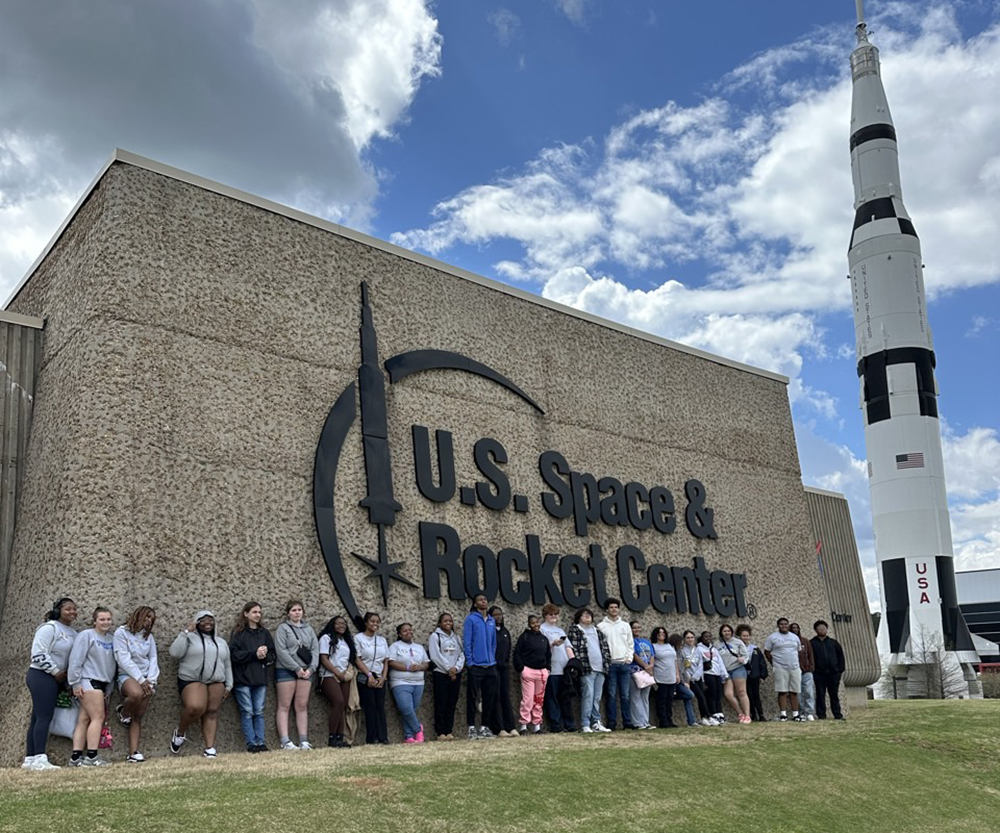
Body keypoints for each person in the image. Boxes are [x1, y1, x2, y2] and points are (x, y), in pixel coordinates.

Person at [23, 597, 78, 770]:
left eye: (74, 609)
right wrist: (55, 671)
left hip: (57, 679)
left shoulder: (73, 633)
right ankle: (40, 757)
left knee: (38, 717)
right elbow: (38, 653)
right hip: (41, 676)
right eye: (68, 609)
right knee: (44, 717)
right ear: (58, 610)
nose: (72, 612)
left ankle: (30, 758)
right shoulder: (49, 628)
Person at [169, 610, 233, 757]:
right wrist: (185, 632)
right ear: (197, 622)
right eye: (203, 620)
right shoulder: (189, 637)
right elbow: (175, 653)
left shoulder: (221, 642)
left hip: (216, 680)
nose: (207, 623)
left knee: (212, 711)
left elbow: (227, 664)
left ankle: (209, 748)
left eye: (210, 620)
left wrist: (229, 684)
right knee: (195, 707)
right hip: (192, 678)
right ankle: (180, 732)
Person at [67, 606, 116, 767]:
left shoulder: (111, 639)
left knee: (84, 719)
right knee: (98, 718)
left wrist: (109, 687)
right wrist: (75, 683)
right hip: (88, 681)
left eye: (108, 619)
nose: (105, 622)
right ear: (94, 621)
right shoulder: (86, 636)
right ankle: (92, 757)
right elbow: (76, 660)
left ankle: (76, 757)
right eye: (102, 619)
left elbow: (112, 666)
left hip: (102, 683)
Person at [114, 605, 160, 762]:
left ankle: (133, 753)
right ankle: (123, 712)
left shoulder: (149, 637)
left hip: (146, 678)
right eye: (147, 617)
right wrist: (140, 680)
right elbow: (123, 659)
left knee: (138, 716)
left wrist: (151, 681)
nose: (149, 621)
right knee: (136, 694)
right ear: (138, 615)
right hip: (127, 675)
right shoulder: (121, 633)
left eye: (152, 619)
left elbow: (153, 658)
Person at [229, 601, 275, 753]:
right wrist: (254, 654)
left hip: (260, 678)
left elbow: (272, 655)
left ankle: (261, 742)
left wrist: (265, 655)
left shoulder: (264, 633)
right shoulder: (238, 633)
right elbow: (234, 655)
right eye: (254, 612)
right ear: (246, 613)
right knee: (247, 711)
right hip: (242, 678)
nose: (258, 615)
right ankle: (251, 743)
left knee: (259, 711)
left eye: (259, 612)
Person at [274, 599, 319, 750]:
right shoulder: (283, 629)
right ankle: (285, 741)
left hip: (306, 671)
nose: (297, 613)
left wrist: (311, 668)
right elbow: (281, 651)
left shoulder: (309, 629)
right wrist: (296, 668)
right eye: (294, 610)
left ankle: (304, 740)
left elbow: (315, 650)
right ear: (288, 613)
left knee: (301, 705)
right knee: (284, 705)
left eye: (299, 610)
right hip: (286, 669)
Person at [567, 607, 612, 733]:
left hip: (601, 669)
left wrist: (607, 662)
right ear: (578, 618)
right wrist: (579, 665)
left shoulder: (597, 631)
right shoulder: (575, 630)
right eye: (583, 614)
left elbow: (605, 648)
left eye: (589, 614)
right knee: (588, 696)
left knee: (597, 697)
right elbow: (574, 648)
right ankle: (585, 724)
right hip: (586, 669)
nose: (587, 616)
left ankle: (596, 722)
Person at [463, 593, 498, 740]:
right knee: (472, 697)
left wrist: (492, 658)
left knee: (488, 698)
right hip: (476, 666)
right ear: (475, 604)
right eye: (480, 600)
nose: (484, 601)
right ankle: (471, 728)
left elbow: (493, 643)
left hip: (490, 666)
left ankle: (484, 727)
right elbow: (467, 642)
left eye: (485, 599)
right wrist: (470, 662)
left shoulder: (491, 620)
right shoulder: (471, 619)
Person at [387, 623, 430, 743]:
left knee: (411, 710)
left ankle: (409, 736)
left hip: (418, 683)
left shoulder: (419, 647)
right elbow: (391, 662)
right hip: (400, 682)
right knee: (405, 708)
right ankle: (418, 729)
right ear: (399, 634)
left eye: (410, 630)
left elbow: (426, 663)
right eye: (405, 631)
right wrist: (407, 668)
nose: (408, 632)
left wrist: (420, 667)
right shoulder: (395, 646)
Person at [319, 614, 357, 747]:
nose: (341, 626)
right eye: (338, 623)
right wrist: (337, 672)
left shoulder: (346, 641)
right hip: (329, 675)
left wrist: (345, 673)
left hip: (344, 676)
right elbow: (324, 659)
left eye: (344, 624)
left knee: (343, 705)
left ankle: (340, 737)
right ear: (332, 625)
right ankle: (332, 737)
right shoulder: (326, 638)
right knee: (338, 701)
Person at [597, 598, 634, 730]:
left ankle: (627, 722)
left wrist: (629, 658)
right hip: (610, 665)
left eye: (616, 607)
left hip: (624, 664)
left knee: (625, 695)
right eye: (611, 607)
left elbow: (630, 644)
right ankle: (612, 722)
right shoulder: (601, 626)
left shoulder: (625, 625)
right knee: (611, 694)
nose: (614, 609)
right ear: (607, 610)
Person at [539, 603, 576, 733]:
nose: (553, 616)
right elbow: (541, 648)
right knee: (552, 698)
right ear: (545, 615)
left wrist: (572, 662)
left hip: (564, 669)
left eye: (555, 614)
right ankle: (557, 725)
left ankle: (569, 725)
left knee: (566, 699)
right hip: (552, 669)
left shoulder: (560, 630)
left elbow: (568, 647)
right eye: (551, 614)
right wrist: (553, 644)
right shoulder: (542, 629)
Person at [354, 611, 389, 745]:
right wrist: (369, 675)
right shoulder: (358, 638)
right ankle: (372, 738)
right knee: (370, 706)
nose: (375, 624)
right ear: (366, 623)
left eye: (377, 622)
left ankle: (383, 737)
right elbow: (357, 659)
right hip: (366, 675)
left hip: (379, 675)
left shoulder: (382, 640)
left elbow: (386, 660)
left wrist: (383, 678)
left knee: (380, 706)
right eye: (372, 621)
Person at [428, 612, 464, 740]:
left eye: (450, 621)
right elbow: (435, 655)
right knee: (441, 703)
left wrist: (456, 668)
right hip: (441, 673)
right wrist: (448, 668)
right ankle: (440, 732)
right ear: (440, 623)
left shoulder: (456, 638)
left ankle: (449, 731)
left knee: (451, 703)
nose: (448, 623)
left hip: (455, 674)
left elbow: (461, 654)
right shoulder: (435, 636)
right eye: (445, 621)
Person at [513, 614, 550, 734]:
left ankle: (536, 726)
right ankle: (524, 726)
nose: (536, 625)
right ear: (529, 624)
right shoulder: (524, 637)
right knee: (527, 700)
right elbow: (517, 653)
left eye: (537, 622)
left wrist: (547, 669)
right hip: (528, 671)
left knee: (539, 700)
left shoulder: (544, 638)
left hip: (542, 672)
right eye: (533, 623)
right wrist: (521, 668)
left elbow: (548, 655)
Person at [764, 617, 803, 722]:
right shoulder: (772, 637)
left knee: (794, 691)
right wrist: (773, 663)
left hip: (794, 667)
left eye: (785, 624)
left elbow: (798, 651)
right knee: (782, 691)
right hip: (780, 667)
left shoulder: (794, 637)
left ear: (788, 625)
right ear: (778, 626)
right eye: (781, 624)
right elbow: (767, 651)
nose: (784, 626)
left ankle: (795, 714)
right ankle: (783, 714)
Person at [488, 606, 517, 737]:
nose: (498, 617)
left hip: (504, 668)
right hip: (492, 667)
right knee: (496, 697)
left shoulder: (505, 631)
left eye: (499, 614)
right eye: (495, 615)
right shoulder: (488, 631)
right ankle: (499, 728)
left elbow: (508, 649)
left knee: (505, 695)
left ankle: (510, 726)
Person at [810, 620, 846, 720]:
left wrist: (839, 670)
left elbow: (840, 656)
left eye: (824, 628)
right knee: (820, 694)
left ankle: (837, 714)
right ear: (815, 630)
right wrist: (814, 671)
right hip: (819, 674)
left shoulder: (833, 643)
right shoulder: (812, 643)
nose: (822, 630)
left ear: (827, 629)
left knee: (834, 695)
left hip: (833, 673)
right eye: (819, 628)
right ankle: (821, 715)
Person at [717, 624, 751, 724]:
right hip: (725, 671)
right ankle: (740, 713)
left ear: (731, 632)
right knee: (728, 694)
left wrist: (743, 659)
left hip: (737, 668)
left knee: (741, 692)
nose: (727, 633)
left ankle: (747, 715)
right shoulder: (717, 644)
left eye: (728, 631)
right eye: (724, 631)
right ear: (721, 633)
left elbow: (746, 655)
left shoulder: (738, 642)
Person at [679, 630, 715, 725]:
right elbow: (682, 666)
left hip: (697, 677)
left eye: (692, 637)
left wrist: (696, 675)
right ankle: (707, 716)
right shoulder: (682, 651)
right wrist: (689, 677)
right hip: (688, 678)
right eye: (688, 638)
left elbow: (700, 665)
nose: (690, 639)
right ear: (684, 639)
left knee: (702, 697)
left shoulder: (697, 650)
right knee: (700, 697)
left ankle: (704, 717)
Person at [737, 624, 768, 722]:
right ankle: (752, 714)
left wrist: (762, 675)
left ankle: (761, 714)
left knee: (756, 695)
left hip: (754, 675)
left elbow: (761, 662)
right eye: (743, 636)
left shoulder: (755, 649)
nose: (746, 638)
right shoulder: (737, 649)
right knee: (748, 695)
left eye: (747, 636)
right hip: (743, 675)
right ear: (740, 637)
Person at [667, 633, 699, 727]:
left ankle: (691, 721)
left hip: (682, 679)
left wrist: (686, 681)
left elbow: (685, 668)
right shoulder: (672, 652)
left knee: (688, 698)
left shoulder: (681, 652)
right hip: (675, 679)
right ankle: (671, 696)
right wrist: (682, 681)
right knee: (690, 695)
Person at [650, 627, 677, 728]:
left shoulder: (669, 645)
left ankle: (669, 719)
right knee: (661, 700)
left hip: (671, 677)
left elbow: (675, 661)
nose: (662, 634)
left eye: (663, 632)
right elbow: (652, 661)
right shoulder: (653, 646)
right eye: (659, 632)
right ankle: (663, 721)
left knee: (669, 700)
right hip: (660, 677)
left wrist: (677, 674)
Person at [629, 621, 655, 729]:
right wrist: (645, 666)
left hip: (647, 672)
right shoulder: (630, 641)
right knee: (635, 697)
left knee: (645, 697)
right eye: (634, 627)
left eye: (638, 627)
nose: (637, 629)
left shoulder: (646, 641)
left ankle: (645, 721)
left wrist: (650, 666)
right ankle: (637, 722)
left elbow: (652, 655)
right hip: (635, 671)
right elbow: (634, 655)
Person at [698, 630, 728, 724]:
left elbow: (720, 662)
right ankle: (713, 714)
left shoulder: (714, 649)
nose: (708, 638)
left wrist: (724, 673)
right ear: (702, 638)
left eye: (710, 636)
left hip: (717, 674)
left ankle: (719, 714)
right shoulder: (699, 649)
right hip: (708, 674)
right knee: (711, 695)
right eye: (706, 637)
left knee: (718, 695)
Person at [790, 622, 816, 721]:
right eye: (793, 628)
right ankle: (801, 712)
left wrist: (811, 667)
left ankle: (809, 712)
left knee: (809, 691)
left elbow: (810, 655)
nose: (795, 629)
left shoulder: (805, 641)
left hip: (807, 670)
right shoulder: (789, 642)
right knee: (798, 693)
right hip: (795, 670)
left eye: (797, 628)